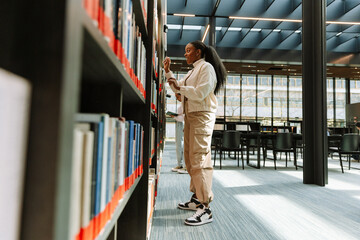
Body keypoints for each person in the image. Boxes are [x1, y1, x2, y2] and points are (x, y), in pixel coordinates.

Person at [163, 40, 226, 226]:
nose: (185, 54)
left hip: (202, 116)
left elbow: (199, 93)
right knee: (190, 160)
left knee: (198, 159)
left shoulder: (206, 68)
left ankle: (205, 208)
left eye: (188, 51)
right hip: (191, 115)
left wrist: (180, 88)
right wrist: (168, 72)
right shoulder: (192, 71)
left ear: (198, 52)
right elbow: (179, 89)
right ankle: (197, 199)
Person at [171, 93, 187, 174]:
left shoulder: (186, 103)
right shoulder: (182, 104)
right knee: (178, 144)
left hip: (182, 123)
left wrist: (174, 116)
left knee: (183, 145)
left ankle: (185, 166)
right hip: (179, 123)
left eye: (178, 96)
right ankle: (180, 164)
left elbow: (184, 117)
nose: (177, 98)